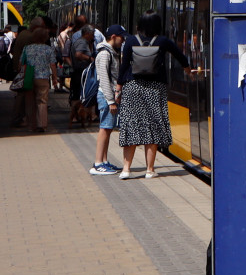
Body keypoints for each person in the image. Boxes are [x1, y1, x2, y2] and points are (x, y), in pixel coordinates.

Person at [116, 12, 190, 179]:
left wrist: (118, 87)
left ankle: (126, 169)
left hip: (133, 87)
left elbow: (124, 65)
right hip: (155, 89)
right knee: (153, 127)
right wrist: (188, 69)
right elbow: (180, 56)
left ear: (140, 24)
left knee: (131, 126)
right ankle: (150, 170)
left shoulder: (131, 41)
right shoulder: (163, 41)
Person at [90, 25, 126, 175]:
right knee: (104, 128)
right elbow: (104, 79)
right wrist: (111, 101)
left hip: (109, 96)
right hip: (106, 97)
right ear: (113, 37)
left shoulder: (111, 52)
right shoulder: (105, 54)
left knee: (108, 128)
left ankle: (104, 161)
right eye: (121, 37)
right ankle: (98, 163)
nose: (123, 40)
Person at [17, 23, 58, 133]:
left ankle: (31, 125)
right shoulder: (48, 49)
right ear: (45, 37)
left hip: (28, 77)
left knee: (30, 102)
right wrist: (55, 78)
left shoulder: (27, 48)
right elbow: (52, 64)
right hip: (43, 78)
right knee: (42, 101)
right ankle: (42, 125)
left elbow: (21, 63)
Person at [68, 24, 95, 126]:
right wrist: (90, 59)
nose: (93, 36)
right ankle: (77, 116)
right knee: (79, 95)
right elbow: (78, 54)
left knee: (78, 94)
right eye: (92, 34)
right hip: (80, 72)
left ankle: (78, 116)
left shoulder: (82, 41)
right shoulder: (82, 42)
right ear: (87, 33)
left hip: (79, 71)